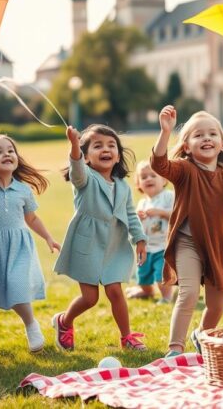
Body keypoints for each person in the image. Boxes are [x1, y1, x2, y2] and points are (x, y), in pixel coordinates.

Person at [151, 106, 223, 357]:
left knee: (217, 303)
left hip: (217, 245)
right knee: (188, 293)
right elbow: (160, 165)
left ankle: (201, 336)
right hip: (187, 242)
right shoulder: (185, 169)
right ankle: (175, 348)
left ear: (222, 144)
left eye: (212, 134)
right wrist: (165, 132)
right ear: (187, 146)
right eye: (198, 135)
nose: (206, 138)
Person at [52, 125, 148, 352]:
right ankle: (64, 321)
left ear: (117, 156)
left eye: (111, 145)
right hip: (88, 245)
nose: (105, 149)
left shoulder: (122, 186)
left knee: (116, 291)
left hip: (115, 245)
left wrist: (140, 239)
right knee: (90, 298)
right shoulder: (85, 180)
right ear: (86, 157)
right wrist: (75, 145)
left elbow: (131, 214)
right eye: (97, 146)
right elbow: (76, 169)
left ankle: (127, 337)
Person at [0, 135, 60, 356]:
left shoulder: (23, 190)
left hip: (18, 246)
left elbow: (32, 219)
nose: (7, 154)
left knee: (17, 284)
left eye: (10, 150)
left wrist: (48, 237)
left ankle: (31, 326)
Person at [126, 161, 175, 303]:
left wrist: (161, 212)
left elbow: (178, 215)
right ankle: (145, 291)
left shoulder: (168, 196)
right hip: (146, 248)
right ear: (139, 184)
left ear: (164, 179)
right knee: (143, 276)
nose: (148, 179)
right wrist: (138, 218)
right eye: (144, 177)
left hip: (163, 246)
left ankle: (167, 297)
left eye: (153, 175)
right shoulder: (142, 203)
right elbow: (136, 226)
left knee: (161, 275)